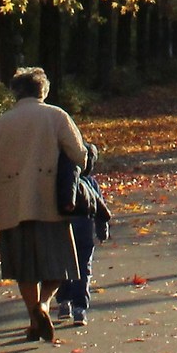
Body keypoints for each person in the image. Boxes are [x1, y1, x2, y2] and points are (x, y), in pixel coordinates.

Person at [0, 67, 88, 343]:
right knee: (61, 264)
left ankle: (32, 318)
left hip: (12, 205)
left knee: (24, 268)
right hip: (50, 202)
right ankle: (45, 304)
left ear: (16, 92)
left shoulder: (0, 124)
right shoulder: (57, 116)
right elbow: (79, 156)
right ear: (43, 90)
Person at [51, 141, 109, 329]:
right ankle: (79, 307)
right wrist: (102, 230)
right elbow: (100, 207)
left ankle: (64, 301)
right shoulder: (91, 183)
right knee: (83, 268)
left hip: (62, 228)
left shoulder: (60, 181)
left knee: (63, 265)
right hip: (84, 228)